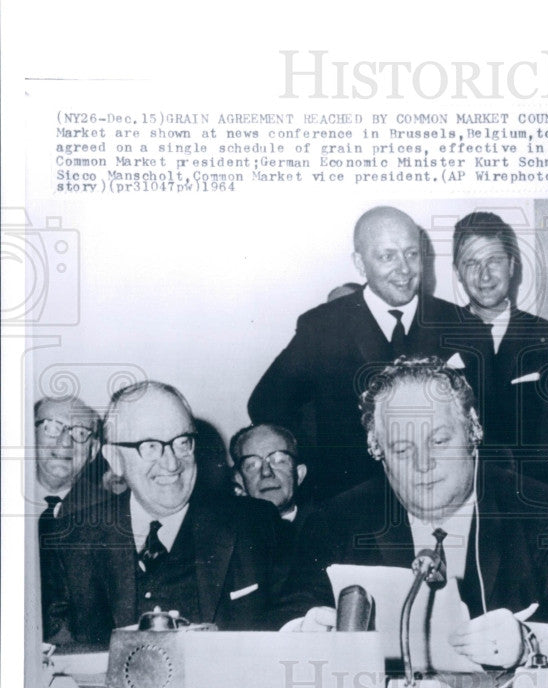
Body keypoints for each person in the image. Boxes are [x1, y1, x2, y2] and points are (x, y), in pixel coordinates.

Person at [288, 357, 548, 668]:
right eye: (403, 449)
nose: (423, 464)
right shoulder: (337, 519)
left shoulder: (544, 510)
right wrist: (302, 632)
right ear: (377, 450)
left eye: (439, 442)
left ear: (473, 431)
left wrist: (530, 642)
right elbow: (285, 612)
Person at [248, 206, 492, 502]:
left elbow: (490, 418)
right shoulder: (322, 327)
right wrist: (321, 460)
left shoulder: (464, 326)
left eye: (412, 254)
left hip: (440, 496)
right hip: (354, 501)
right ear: (360, 264)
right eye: (387, 256)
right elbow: (266, 403)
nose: (404, 269)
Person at [44, 381, 304, 646]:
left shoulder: (257, 523)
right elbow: (55, 650)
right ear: (114, 458)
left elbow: (299, 609)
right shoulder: (70, 539)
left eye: (182, 443)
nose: (171, 463)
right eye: (150, 446)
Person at [452, 211, 548, 494]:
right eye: (471, 263)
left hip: (528, 510)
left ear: (512, 265)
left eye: (494, 261)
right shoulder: (435, 342)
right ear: (457, 271)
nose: (484, 275)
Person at [32, 396, 103, 642]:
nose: (65, 442)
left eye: (80, 433)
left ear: (93, 450)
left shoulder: (113, 514)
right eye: (51, 427)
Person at [230, 422, 311, 590]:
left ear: (299, 474)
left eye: (279, 460)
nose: (266, 472)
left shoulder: (331, 530)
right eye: (252, 464)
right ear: (240, 481)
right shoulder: (226, 545)